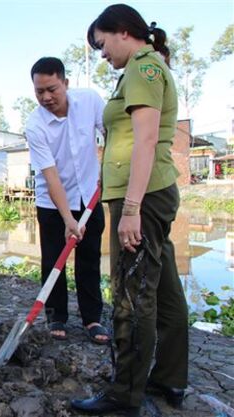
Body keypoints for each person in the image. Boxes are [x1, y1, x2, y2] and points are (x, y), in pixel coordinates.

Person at [71, 4, 188, 416]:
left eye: (102, 45)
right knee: (166, 291)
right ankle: (169, 380)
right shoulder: (143, 68)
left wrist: (132, 208)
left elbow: (146, 139)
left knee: (132, 297)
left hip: (143, 198)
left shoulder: (143, 68)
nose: (102, 54)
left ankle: (124, 395)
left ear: (122, 31)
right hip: (148, 193)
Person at [26, 57, 108, 344]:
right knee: (53, 260)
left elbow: (111, 133)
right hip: (52, 203)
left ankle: (92, 318)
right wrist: (67, 219)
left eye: (52, 89)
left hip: (89, 196)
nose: (46, 97)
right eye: (39, 92)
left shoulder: (90, 101)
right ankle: (56, 316)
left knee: (89, 259)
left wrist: (110, 163)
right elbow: (51, 177)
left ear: (65, 83)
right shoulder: (35, 125)